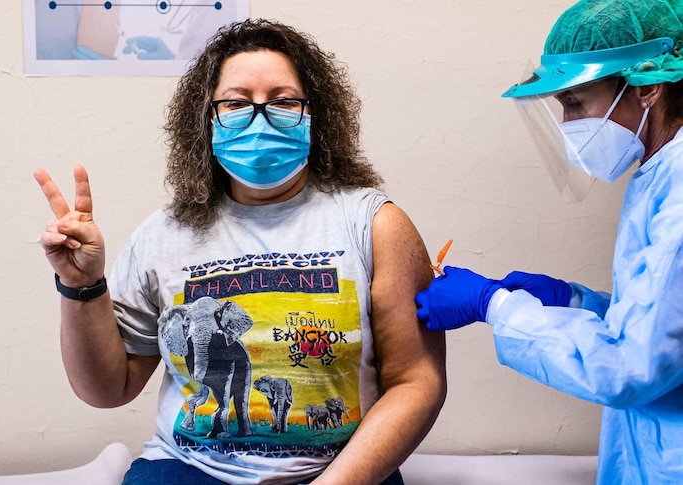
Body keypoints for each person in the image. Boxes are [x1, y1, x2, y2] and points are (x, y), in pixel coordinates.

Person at [35, 19, 446, 485]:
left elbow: (418, 382)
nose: (260, 116)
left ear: (316, 114)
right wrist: (80, 285)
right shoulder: (163, 234)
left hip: (344, 473)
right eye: (235, 103)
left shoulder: (374, 224)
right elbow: (107, 390)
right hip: (187, 470)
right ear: (207, 119)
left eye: (284, 100)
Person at [415, 1, 683, 483]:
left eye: (576, 101)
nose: (567, 124)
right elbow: (663, 327)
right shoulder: (660, 174)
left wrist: (494, 304)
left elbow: (630, 366)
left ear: (649, 86)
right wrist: (574, 301)